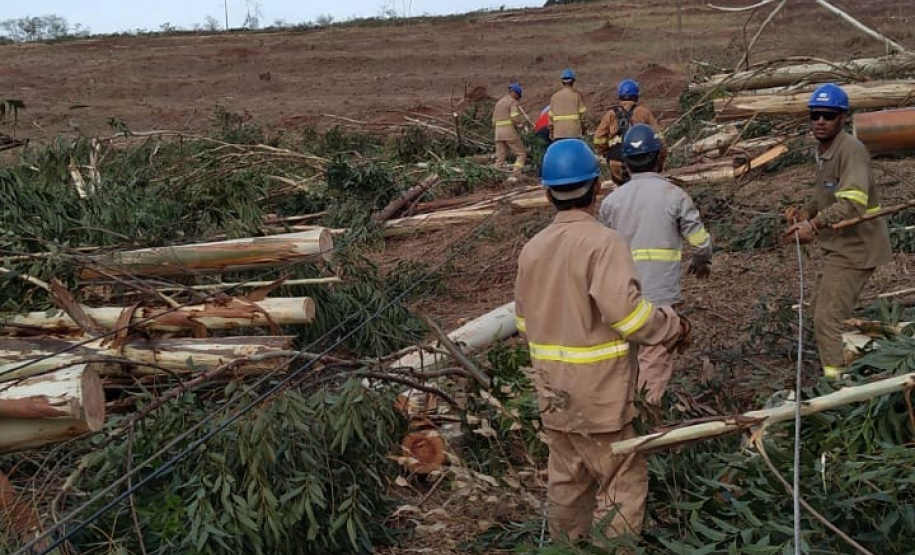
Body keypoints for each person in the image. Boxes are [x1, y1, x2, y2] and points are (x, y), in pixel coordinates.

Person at [515, 138, 690, 540]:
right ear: (596, 187)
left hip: (553, 395)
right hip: (602, 397)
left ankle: (565, 548)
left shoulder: (532, 250)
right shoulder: (604, 243)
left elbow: (524, 324)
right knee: (621, 487)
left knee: (566, 487)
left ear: (546, 193)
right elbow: (630, 317)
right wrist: (673, 326)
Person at [784, 83, 892, 379]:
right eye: (815, 115)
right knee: (820, 308)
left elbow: (852, 202)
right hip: (840, 247)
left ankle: (836, 386)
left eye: (828, 115)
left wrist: (813, 225)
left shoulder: (851, 150)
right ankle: (848, 357)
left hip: (857, 247)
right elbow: (826, 195)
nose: (820, 121)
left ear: (843, 117)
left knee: (826, 318)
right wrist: (806, 211)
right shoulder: (824, 150)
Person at [599, 124, 712, 405]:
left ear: (626, 162)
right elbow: (700, 242)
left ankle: (624, 412)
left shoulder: (611, 202)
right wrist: (701, 262)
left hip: (621, 295)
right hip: (661, 295)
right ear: (660, 157)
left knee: (626, 354)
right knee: (655, 352)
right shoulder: (674, 196)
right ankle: (647, 420)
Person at [593, 79, 661, 185]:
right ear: (636, 96)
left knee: (621, 188)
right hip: (641, 160)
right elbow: (659, 138)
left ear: (619, 96)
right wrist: (659, 163)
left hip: (616, 161)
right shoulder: (644, 112)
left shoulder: (611, 114)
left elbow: (598, 139)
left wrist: (607, 152)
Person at [492, 83, 527, 174]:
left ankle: (496, 173)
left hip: (498, 133)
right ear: (515, 93)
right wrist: (520, 124)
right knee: (521, 154)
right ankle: (516, 173)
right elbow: (514, 116)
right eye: (518, 96)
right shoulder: (512, 102)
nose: (518, 98)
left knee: (500, 157)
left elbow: (493, 120)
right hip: (509, 132)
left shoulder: (499, 102)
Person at [548, 69, 587, 141]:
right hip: (574, 134)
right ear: (573, 82)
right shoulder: (577, 96)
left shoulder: (554, 97)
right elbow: (583, 117)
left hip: (558, 134)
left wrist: (551, 132)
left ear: (562, 82)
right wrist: (584, 130)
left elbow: (550, 118)